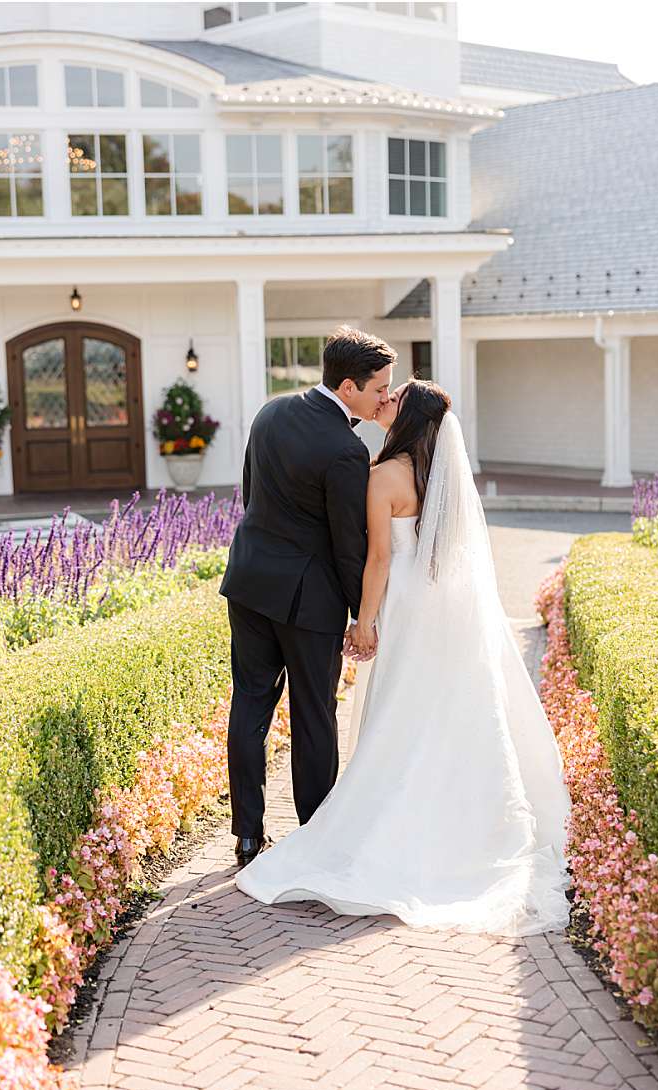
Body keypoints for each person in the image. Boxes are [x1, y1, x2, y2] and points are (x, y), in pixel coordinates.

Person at [236, 380, 571, 934]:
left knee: (401, 708)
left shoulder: (382, 474)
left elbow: (379, 561)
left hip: (407, 603)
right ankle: (464, 821)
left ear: (407, 417)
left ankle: (384, 821)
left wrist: (363, 622)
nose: (383, 401)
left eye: (393, 399)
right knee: (445, 704)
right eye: (381, 393)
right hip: (445, 600)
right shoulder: (438, 471)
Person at [220, 326, 392, 868]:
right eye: (378, 388)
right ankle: (315, 833)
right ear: (347, 387)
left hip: (247, 581)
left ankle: (247, 836)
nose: (384, 397)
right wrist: (365, 614)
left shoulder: (269, 413)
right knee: (314, 714)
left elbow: (251, 493)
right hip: (308, 602)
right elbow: (349, 546)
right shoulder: (346, 449)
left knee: (249, 702)